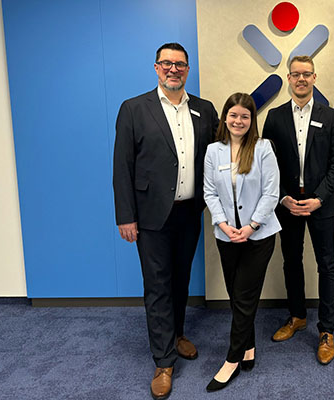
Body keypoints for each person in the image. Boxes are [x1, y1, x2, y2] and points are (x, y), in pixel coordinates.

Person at [113, 42, 218, 399]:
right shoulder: (134, 109)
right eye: (167, 64)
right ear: (156, 68)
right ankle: (163, 360)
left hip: (190, 211)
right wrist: (125, 216)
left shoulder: (204, 109)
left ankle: (176, 334)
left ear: (188, 70)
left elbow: (216, 159)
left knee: (180, 279)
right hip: (151, 216)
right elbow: (122, 167)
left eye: (180, 65)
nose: (174, 69)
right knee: (157, 285)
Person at [262, 55, 334, 365]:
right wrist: (283, 197)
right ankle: (297, 316)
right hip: (288, 204)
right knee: (291, 261)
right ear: (288, 78)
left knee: (327, 265)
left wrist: (321, 197)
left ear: (314, 77)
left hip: (320, 202)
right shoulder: (274, 117)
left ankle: (326, 330)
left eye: (306, 74)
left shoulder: (331, 116)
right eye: (295, 74)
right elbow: (267, 165)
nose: (301, 79)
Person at [203, 93, 280, 391]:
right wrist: (224, 224)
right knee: (237, 296)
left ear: (252, 121)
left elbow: (271, 193)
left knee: (245, 297)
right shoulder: (213, 151)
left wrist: (249, 227)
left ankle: (231, 359)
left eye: (244, 117)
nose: (238, 121)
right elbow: (210, 192)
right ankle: (248, 346)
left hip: (258, 235)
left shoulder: (263, 149)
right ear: (225, 118)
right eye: (233, 115)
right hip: (226, 235)